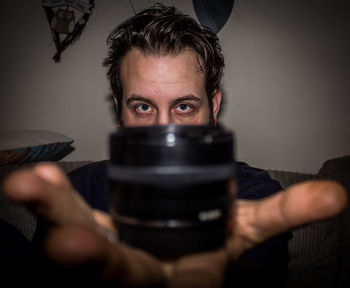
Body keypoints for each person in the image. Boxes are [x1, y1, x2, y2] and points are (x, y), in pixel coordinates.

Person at [1, 3, 348, 287]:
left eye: (183, 106)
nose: (163, 129)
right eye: (143, 107)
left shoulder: (256, 196)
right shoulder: (73, 194)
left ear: (212, 107)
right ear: (120, 110)